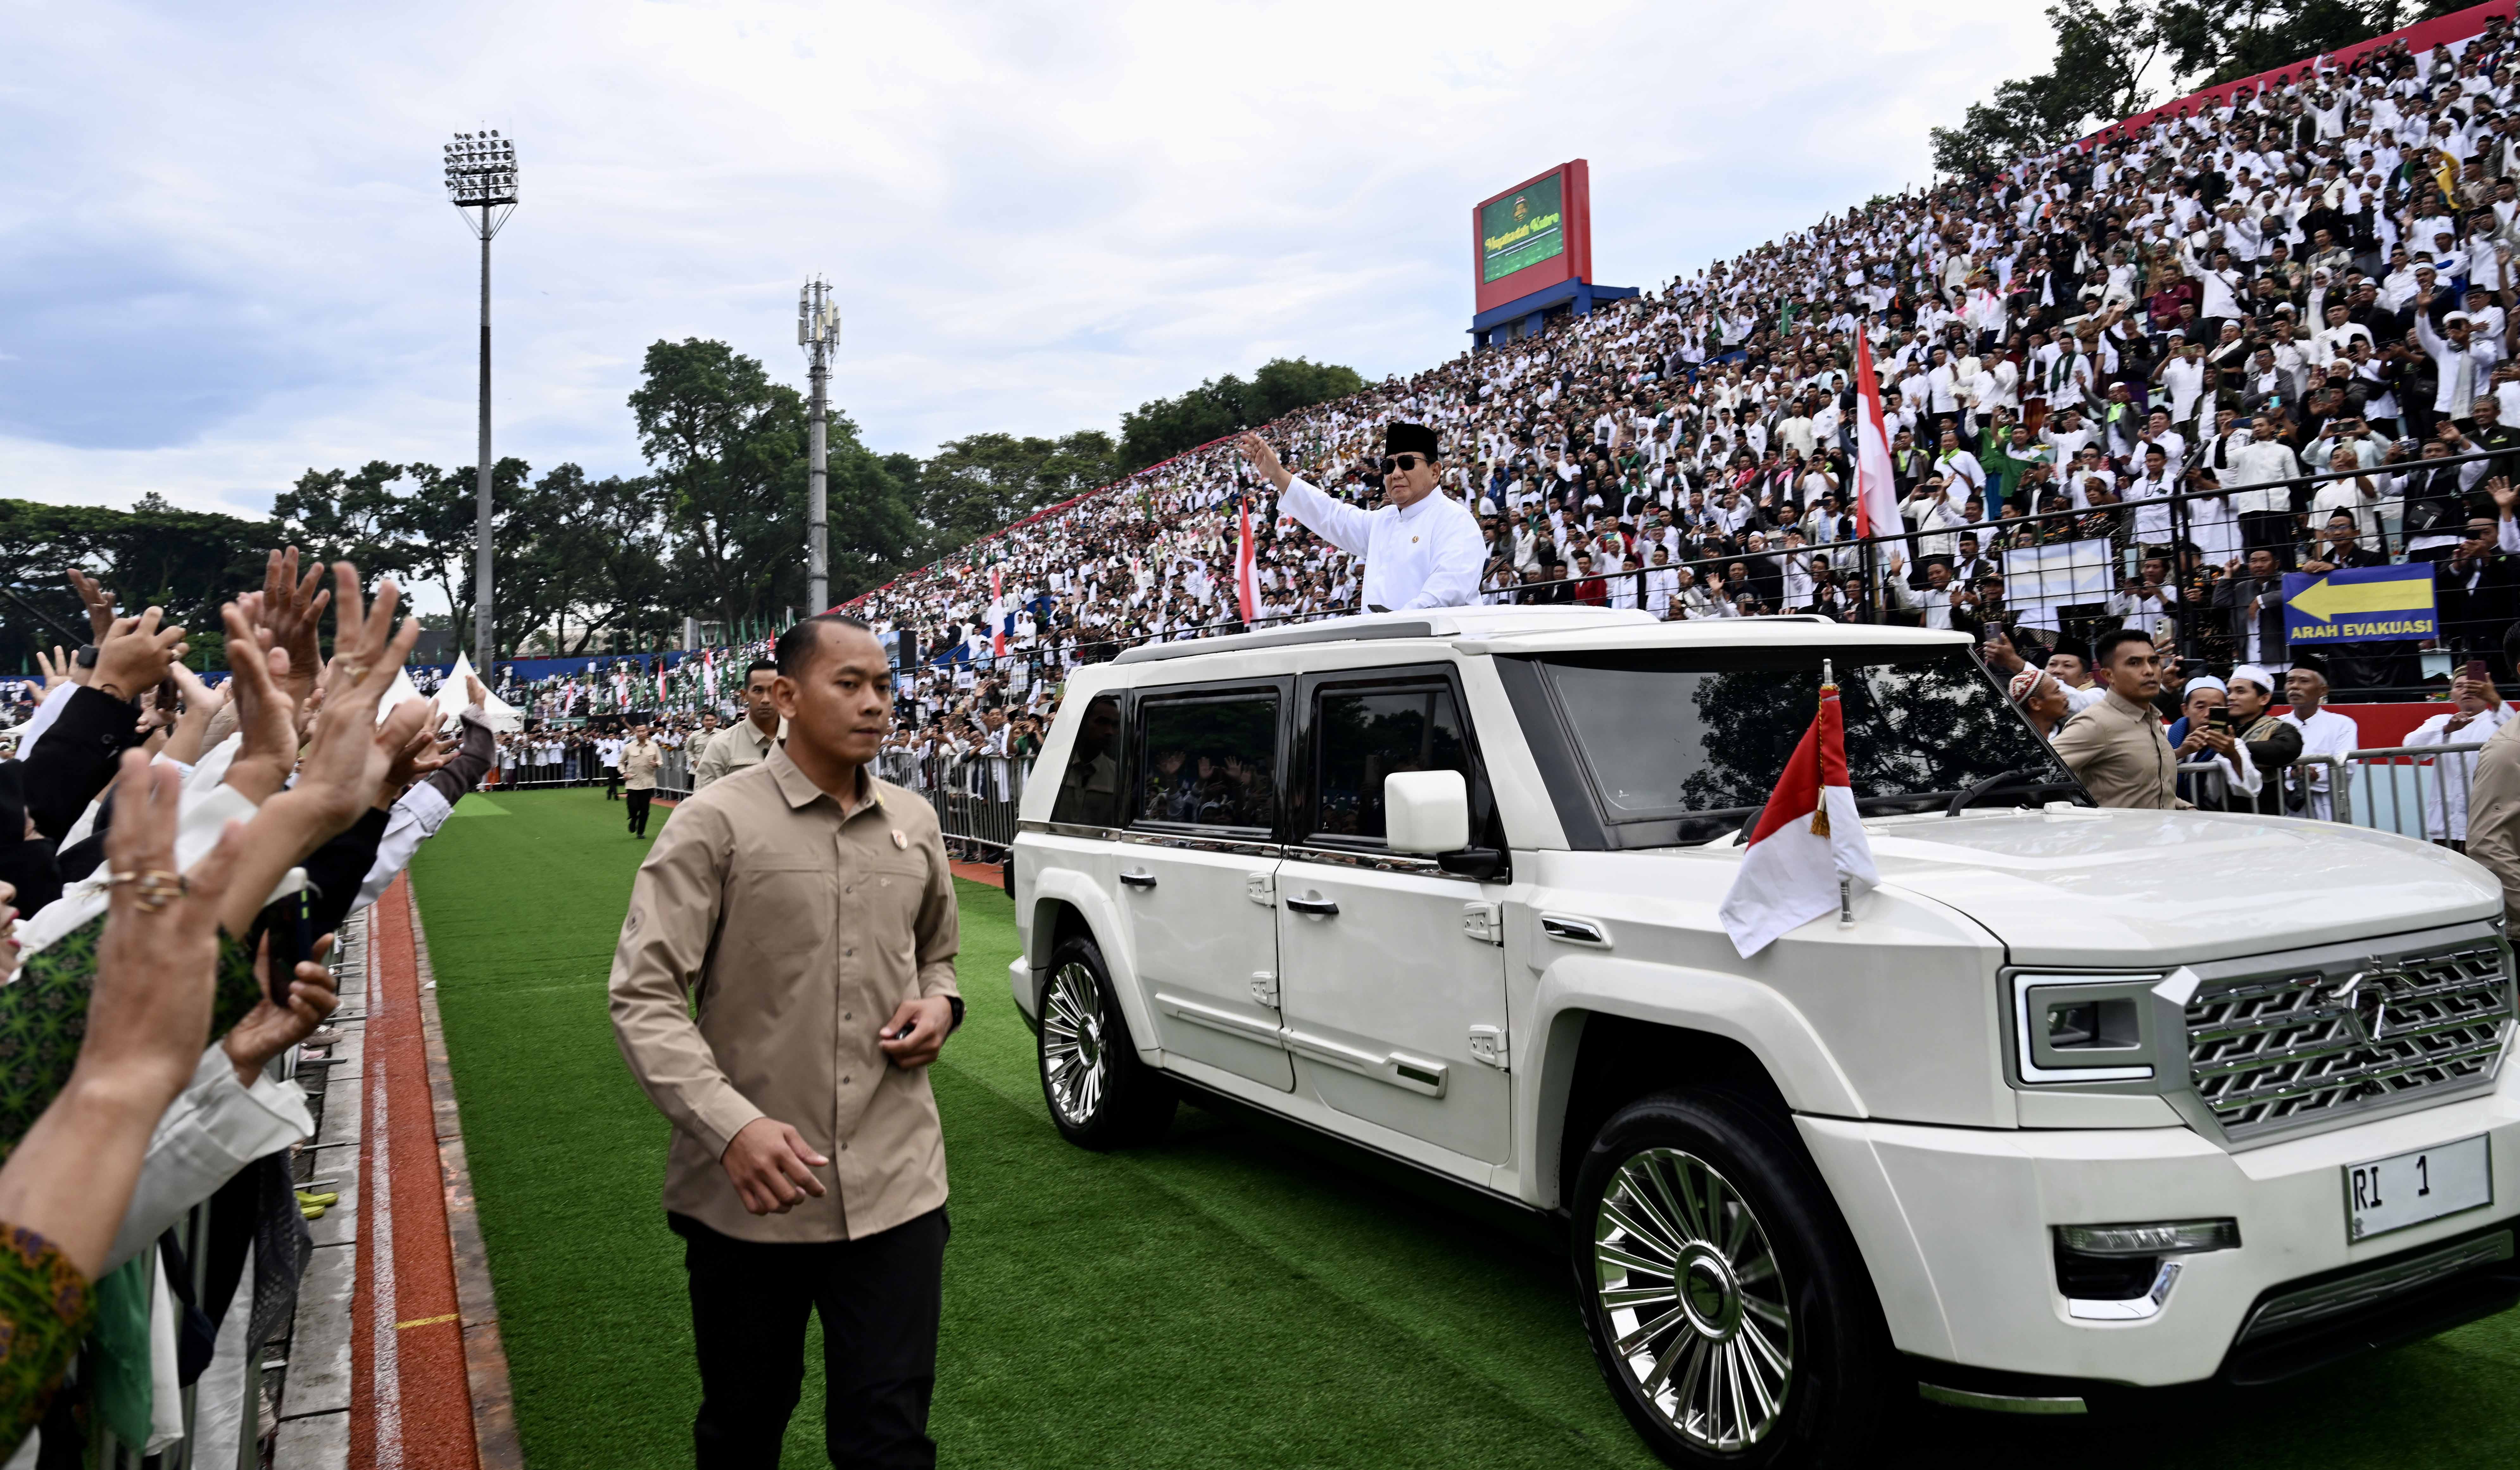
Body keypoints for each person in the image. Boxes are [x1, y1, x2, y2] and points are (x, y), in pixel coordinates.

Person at [610, 614, 962, 1469]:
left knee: (889, 1439)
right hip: (751, 1196)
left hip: (897, 1184)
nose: (876, 702)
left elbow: (938, 954)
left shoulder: (914, 819)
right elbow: (645, 995)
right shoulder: (713, 822)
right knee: (744, 1424)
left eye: (884, 684)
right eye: (850, 684)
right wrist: (732, 1126)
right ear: (787, 697)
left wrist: (942, 1005)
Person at [1238, 424, 1485, 611]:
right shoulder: (1383, 520)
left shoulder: (1454, 521)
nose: (1396, 474)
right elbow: (1330, 515)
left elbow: (1448, 592)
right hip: (1384, 658)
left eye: (1407, 463)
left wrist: (1392, 626)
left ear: (1435, 472)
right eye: (1389, 466)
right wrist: (1278, 474)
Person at [2049, 628, 2188, 809]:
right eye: (2134, 663)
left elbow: (2148, 790)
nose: (2149, 671)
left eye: (2153, 662)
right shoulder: (2094, 724)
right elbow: (2034, 778)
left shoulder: (2153, 719)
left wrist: (2184, 807)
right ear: (2108, 676)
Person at [2409, 670, 2507, 848]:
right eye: (2460, 686)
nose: (2467, 691)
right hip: (2447, 826)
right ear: (2452, 694)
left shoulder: (2499, 721)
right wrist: (2446, 730)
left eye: (2473, 686)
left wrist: (2496, 700)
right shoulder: (2440, 722)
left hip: (2491, 825)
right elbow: (2410, 748)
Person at [2278, 665, 2359, 819]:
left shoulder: (2342, 724)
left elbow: (2345, 768)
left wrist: (2312, 775)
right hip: (2287, 809)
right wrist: (2294, 773)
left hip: (2328, 808)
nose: (2295, 686)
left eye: (2304, 681)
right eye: (2290, 681)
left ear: (2323, 691)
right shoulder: (2277, 724)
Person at [695, 661, 781, 790]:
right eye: (758, 691)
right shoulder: (721, 746)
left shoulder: (806, 742)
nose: (766, 699)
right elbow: (703, 805)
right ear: (744, 696)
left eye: (773, 690)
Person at [622, 722, 663, 838]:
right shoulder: (629, 747)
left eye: (643, 731)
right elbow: (620, 763)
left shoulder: (654, 746)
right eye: (638, 731)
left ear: (647, 732)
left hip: (648, 783)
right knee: (633, 806)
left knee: (645, 809)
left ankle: (641, 832)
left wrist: (657, 764)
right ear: (635, 733)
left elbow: (661, 761)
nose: (641, 733)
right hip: (632, 782)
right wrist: (624, 773)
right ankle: (634, 819)